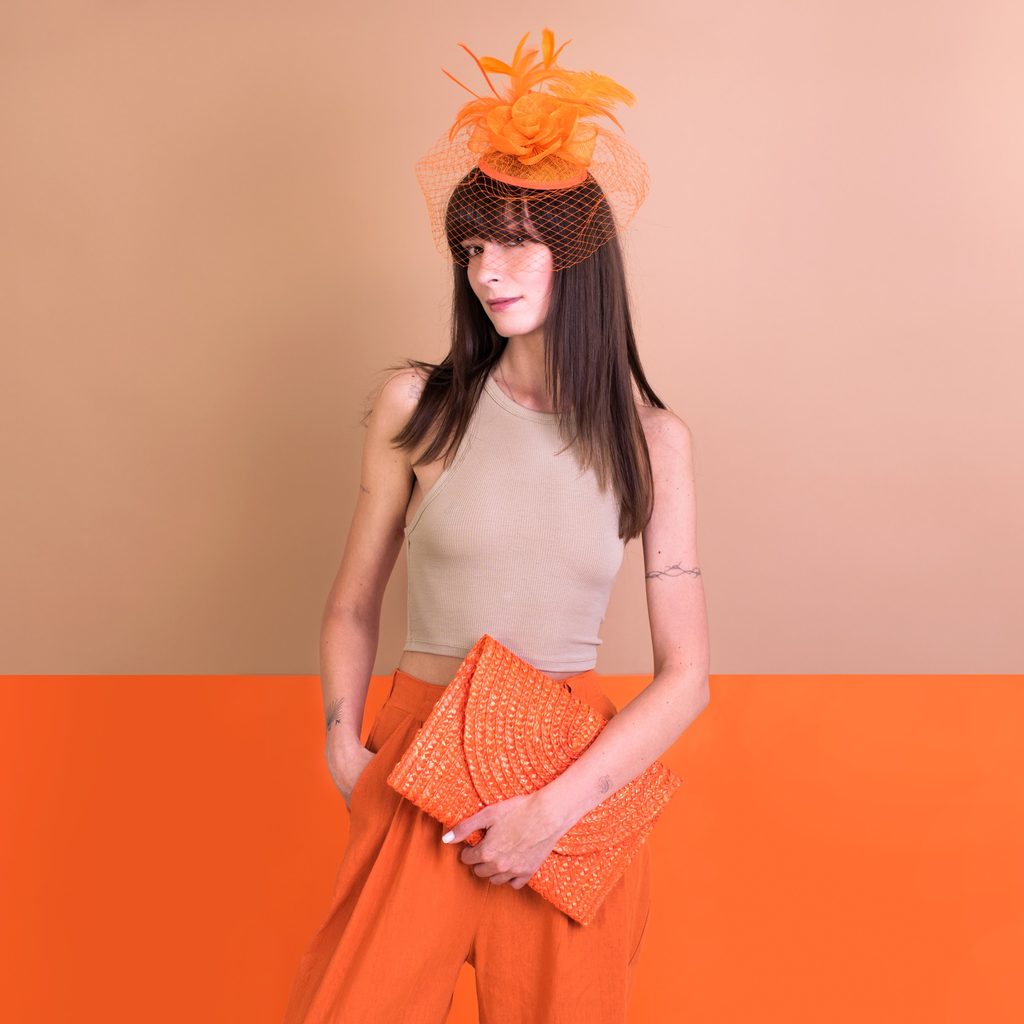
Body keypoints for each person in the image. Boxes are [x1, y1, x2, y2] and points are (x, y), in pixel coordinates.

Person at [282, 27, 710, 1024]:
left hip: (571, 780)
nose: (487, 270)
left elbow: (687, 675)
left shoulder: (655, 441)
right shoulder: (417, 407)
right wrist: (345, 750)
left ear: (577, 259)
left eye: (515, 243)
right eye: (473, 247)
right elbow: (352, 606)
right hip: (415, 762)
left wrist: (551, 811)